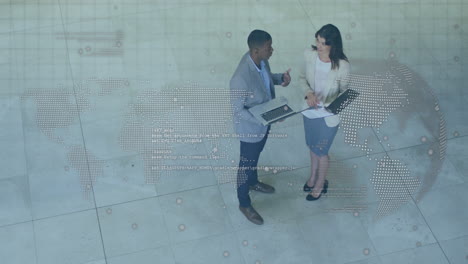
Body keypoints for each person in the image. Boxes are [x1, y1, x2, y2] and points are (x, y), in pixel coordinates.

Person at [230, 29, 291, 225]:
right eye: (268, 48)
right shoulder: (239, 79)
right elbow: (238, 111)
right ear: (256, 51)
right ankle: (244, 203)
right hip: (250, 129)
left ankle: (253, 182)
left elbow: (265, 80)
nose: (272, 50)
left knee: (255, 157)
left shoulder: (261, 61)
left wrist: (280, 78)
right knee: (245, 165)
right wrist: (265, 119)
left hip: (263, 124)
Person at [299, 24, 350, 201]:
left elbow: (344, 92)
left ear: (332, 45)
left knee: (321, 150)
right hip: (310, 111)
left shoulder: (342, 66)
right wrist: (308, 93)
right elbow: (301, 78)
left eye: (323, 43)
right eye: (317, 41)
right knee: (312, 147)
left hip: (328, 116)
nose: (318, 46)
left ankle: (320, 184)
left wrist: (328, 104)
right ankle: (312, 177)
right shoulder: (310, 55)